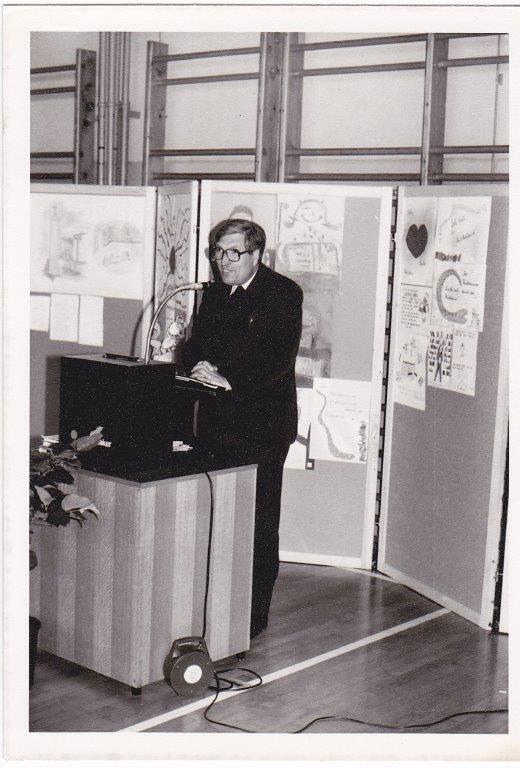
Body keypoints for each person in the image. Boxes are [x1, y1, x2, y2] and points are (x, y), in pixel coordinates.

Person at [181, 218, 303, 639]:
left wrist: (228, 378)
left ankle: (253, 617)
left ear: (257, 254)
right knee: (217, 517)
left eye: (233, 252)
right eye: (218, 252)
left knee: (257, 522)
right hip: (217, 425)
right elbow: (195, 344)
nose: (223, 261)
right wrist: (196, 363)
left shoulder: (283, 293)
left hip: (263, 427)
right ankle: (215, 607)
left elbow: (277, 360)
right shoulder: (216, 294)